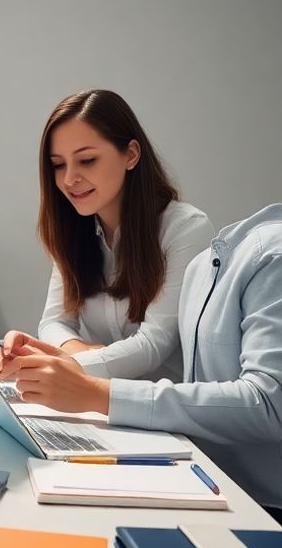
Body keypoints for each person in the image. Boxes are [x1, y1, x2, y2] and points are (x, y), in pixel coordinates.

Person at [0, 204, 282, 548]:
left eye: (87, 159)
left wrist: (96, 393)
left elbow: (265, 407)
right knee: (69, 514)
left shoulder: (280, 257)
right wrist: (68, 368)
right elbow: (201, 392)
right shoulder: (207, 267)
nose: (72, 180)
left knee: (94, 545)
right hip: (216, 486)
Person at [35, 89, 213, 381]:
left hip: (161, 415)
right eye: (58, 164)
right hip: (95, 407)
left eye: (87, 160)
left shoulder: (187, 230)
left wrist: (72, 366)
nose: (69, 179)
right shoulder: (74, 232)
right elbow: (54, 322)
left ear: (130, 154)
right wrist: (78, 351)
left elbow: (154, 345)